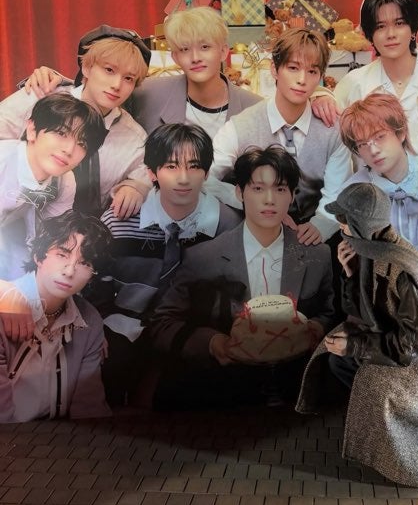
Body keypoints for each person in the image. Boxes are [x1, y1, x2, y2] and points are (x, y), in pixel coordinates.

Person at [296, 183, 418, 488]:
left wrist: (355, 346)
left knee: (373, 382)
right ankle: (374, 421)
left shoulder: (405, 270)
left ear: (361, 225)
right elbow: (360, 312)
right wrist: (350, 274)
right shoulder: (371, 250)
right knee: (334, 359)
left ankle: (403, 446)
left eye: (345, 219)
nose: (340, 226)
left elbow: (411, 347)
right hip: (395, 338)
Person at [150, 146, 335, 409]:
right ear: (239, 193)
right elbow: (162, 323)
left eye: (280, 189)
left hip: (297, 394)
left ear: (293, 195)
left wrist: (315, 328)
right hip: (224, 396)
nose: (269, 200)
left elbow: (330, 314)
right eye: (258, 188)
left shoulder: (318, 255)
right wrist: (213, 343)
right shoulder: (203, 257)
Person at [95, 123, 242, 405]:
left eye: (194, 167)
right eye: (171, 167)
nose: (183, 178)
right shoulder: (119, 220)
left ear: (207, 173)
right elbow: (94, 288)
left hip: (190, 330)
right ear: (151, 172)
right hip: (123, 324)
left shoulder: (227, 226)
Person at [210, 28, 352, 245]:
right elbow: (204, 179)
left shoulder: (333, 129)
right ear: (274, 69)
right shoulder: (240, 126)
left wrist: (322, 224)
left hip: (316, 239)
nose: (302, 80)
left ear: (321, 76)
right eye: (293, 68)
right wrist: (249, 201)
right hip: (255, 233)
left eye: (312, 71)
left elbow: (337, 192)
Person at [1, 25, 152, 218]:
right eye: (109, 70)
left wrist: (136, 187)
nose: (116, 85)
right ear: (86, 68)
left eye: (129, 78)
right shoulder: (40, 95)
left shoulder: (134, 138)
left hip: (80, 230)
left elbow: (149, 175)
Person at [311, 0, 418, 161]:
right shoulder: (354, 81)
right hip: (370, 179)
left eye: (399, 23)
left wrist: (393, 145)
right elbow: (333, 140)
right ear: (370, 34)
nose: (391, 34)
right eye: (380, 26)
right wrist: (320, 95)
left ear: (413, 29)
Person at [0, 211, 113, 422]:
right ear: (38, 257)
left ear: (92, 275)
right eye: (62, 254)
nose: (69, 271)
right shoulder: (5, 305)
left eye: (85, 263)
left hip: (57, 436)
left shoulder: (89, 319)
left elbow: (89, 409)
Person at [339, 93, 418, 267]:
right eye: (362, 144)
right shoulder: (353, 192)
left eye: (380, 136)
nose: (373, 150)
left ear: (401, 133)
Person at [0, 94, 106, 280]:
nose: (69, 150)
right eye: (61, 133)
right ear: (32, 129)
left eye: (82, 143)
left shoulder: (65, 180)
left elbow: (52, 236)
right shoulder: (4, 159)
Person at [131, 7, 260, 139]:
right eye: (185, 49)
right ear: (175, 57)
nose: (195, 58)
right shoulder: (146, 93)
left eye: (205, 47)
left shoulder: (255, 108)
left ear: (223, 52)